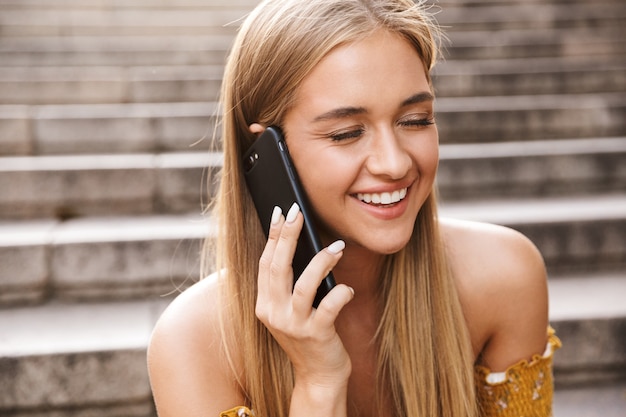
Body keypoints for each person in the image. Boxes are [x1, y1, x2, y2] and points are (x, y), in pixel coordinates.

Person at [147, 0, 561, 416]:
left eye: (416, 120)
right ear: (268, 153)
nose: (395, 163)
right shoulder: (194, 341)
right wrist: (318, 384)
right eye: (346, 133)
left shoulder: (504, 277)